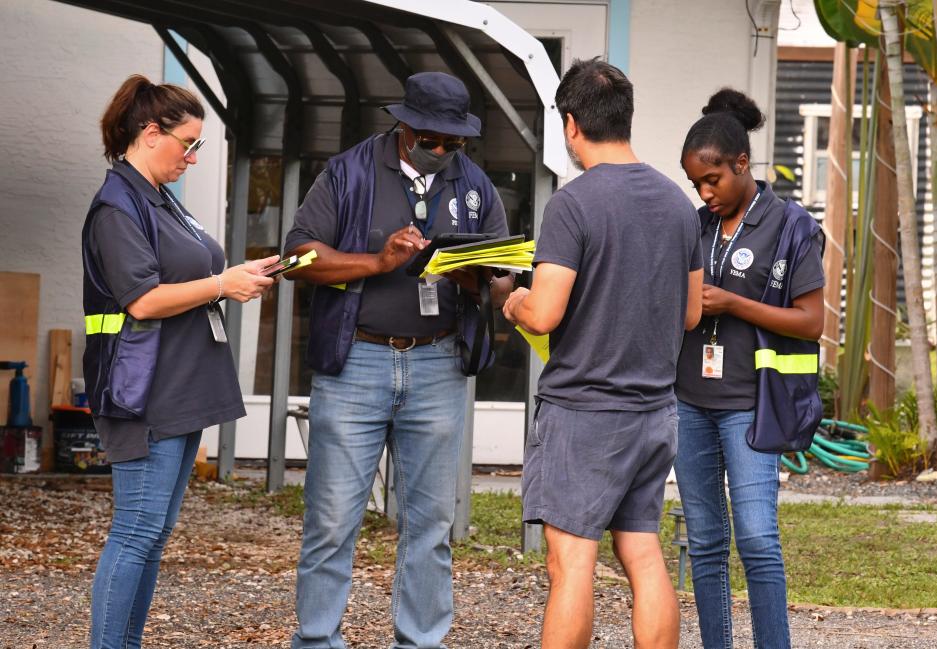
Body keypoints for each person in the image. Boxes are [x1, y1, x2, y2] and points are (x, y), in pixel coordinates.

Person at [282, 71, 514, 649]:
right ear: (403, 127)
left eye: (453, 143)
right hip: (357, 361)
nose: (441, 151)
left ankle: (420, 641)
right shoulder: (348, 172)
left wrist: (479, 277)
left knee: (430, 526)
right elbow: (297, 259)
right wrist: (378, 263)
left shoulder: (477, 186)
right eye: (431, 140)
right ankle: (316, 640)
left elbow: (505, 277)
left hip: (437, 365)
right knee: (333, 520)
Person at [501, 58, 704, 649]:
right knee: (642, 553)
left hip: (586, 412)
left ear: (571, 125)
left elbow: (544, 314)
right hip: (655, 412)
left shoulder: (573, 204)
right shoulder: (674, 204)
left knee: (572, 564)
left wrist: (511, 300)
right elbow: (691, 314)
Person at [83, 74, 277, 649]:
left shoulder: (154, 197)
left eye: (199, 147)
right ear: (149, 133)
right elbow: (142, 299)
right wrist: (222, 282)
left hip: (178, 386)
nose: (193, 156)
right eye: (188, 143)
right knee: (136, 533)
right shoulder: (116, 206)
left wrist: (240, 276)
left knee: (152, 534)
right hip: (145, 391)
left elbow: (187, 274)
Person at [674, 88, 825, 649]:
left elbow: (811, 322)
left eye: (713, 179)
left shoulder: (789, 226)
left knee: (758, 539)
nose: (705, 193)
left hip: (750, 404)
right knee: (707, 542)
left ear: (743, 164)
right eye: (696, 184)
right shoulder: (693, 226)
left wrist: (733, 303)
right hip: (688, 402)